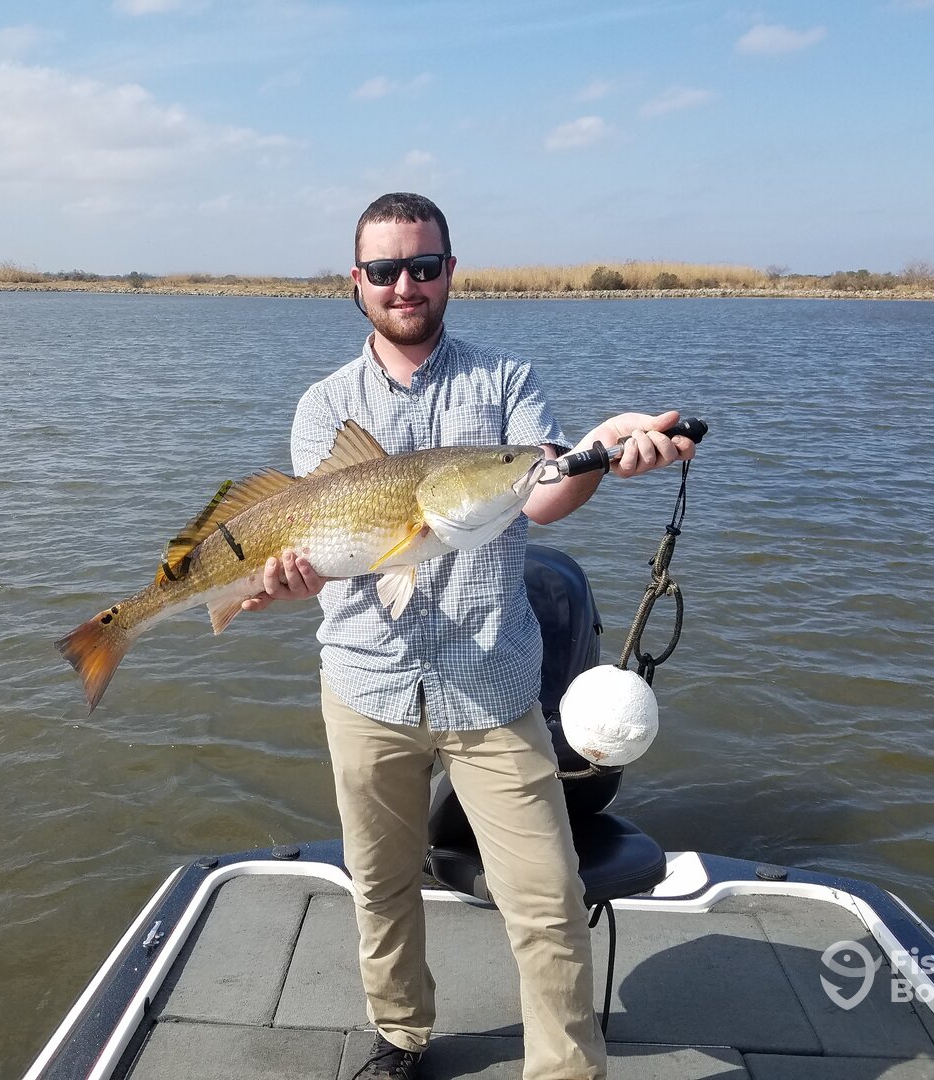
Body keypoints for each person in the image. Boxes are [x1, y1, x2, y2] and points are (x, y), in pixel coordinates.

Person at [240, 192, 696, 1080]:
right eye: (385, 270)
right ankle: (400, 1037)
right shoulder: (324, 406)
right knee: (380, 885)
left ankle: (566, 1070)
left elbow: (546, 489)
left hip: (493, 688)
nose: (404, 285)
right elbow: (319, 552)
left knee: (550, 900)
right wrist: (282, 582)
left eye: (423, 266)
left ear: (450, 271)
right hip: (366, 687)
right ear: (357, 281)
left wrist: (604, 449)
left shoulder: (506, 383)